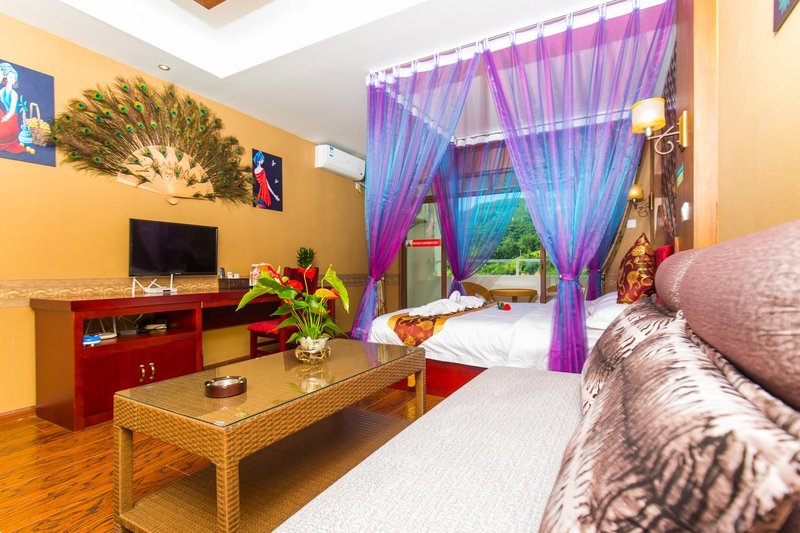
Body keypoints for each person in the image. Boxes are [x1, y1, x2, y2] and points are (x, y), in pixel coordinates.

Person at [0, 63, 26, 154]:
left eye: (13, 77)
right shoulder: (2, 91)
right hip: (5, 116)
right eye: (10, 77)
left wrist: (3, 119)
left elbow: (11, 111)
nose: (12, 79)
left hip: (11, 121)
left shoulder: (14, 94)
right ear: (6, 78)